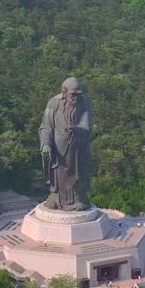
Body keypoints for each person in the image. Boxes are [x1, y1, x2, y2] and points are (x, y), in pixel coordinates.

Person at [38, 77, 93, 210]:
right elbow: (46, 127)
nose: (75, 98)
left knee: (77, 174)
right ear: (64, 91)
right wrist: (46, 144)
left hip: (77, 148)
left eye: (78, 95)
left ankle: (78, 198)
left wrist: (76, 129)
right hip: (57, 150)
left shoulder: (84, 103)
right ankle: (56, 197)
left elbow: (87, 126)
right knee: (58, 174)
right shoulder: (53, 103)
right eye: (72, 95)